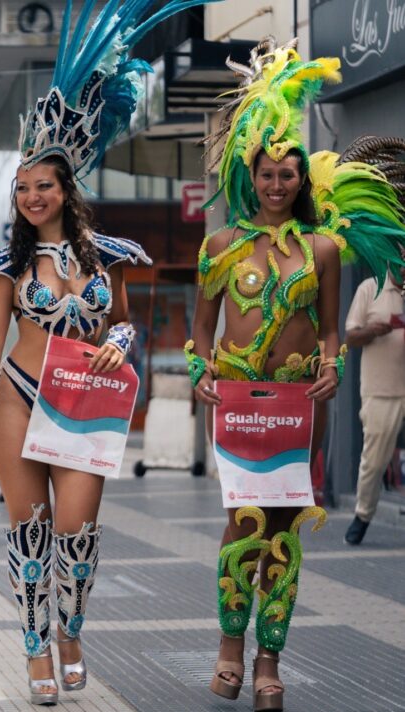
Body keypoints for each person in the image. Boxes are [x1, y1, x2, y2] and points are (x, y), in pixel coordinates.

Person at [0, 2, 232, 706]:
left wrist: (116, 343)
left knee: (78, 533)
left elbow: (124, 324)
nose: (30, 196)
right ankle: (34, 649)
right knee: (30, 532)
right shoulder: (6, 265)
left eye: (42, 185)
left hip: (82, 402)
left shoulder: (106, 256)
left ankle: (71, 632)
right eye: (22, 187)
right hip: (19, 397)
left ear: (66, 189)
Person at [187, 40, 405, 711]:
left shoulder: (323, 249)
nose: (276, 185)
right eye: (267, 174)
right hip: (238, 403)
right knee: (241, 524)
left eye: (287, 175)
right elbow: (202, 328)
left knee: (283, 528)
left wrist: (333, 365)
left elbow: (331, 328)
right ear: (250, 176)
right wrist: (199, 370)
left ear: (301, 181)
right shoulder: (220, 246)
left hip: (299, 405)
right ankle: (230, 646)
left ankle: (269, 659)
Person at [343, 255, 405, 545]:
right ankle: (363, 515)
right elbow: (350, 337)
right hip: (381, 389)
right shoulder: (370, 288)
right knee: (374, 461)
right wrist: (373, 330)